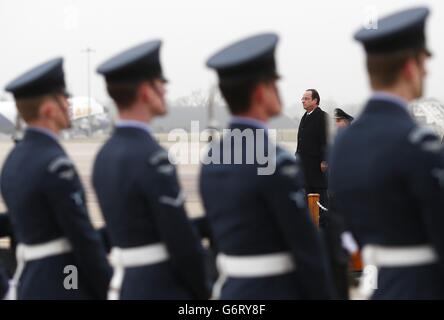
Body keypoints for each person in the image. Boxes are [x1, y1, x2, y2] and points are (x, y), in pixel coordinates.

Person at [200, 33, 333, 299]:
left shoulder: (212, 158)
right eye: (275, 84)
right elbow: (307, 252)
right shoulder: (276, 163)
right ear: (262, 92)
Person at [329, 6, 444, 299]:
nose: (426, 71)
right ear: (409, 67)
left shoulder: (343, 144)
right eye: (423, 62)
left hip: (378, 285)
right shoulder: (419, 142)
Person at [94, 40, 210, 300]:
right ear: (146, 92)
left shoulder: (105, 155)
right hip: (160, 286)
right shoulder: (152, 157)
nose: (165, 90)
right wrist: (203, 290)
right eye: (161, 84)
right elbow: (181, 241)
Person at [1, 58, 112, 299]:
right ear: (49, 109)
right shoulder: (55, 163)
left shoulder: (12, 161)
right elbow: (81, 237)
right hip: (62, 281)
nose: (68, 105)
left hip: (29, 280)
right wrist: (106, 286)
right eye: (64, 99)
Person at [296, 89, 329, 226]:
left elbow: (326, 140)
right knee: (306, 195)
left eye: (306, 98)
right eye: (302, 98)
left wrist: (325, 159)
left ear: (315, 101)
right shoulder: (305, 117)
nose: (303, 100)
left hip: (317, 166)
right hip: (304, 166)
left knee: (319, 197)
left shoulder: (322, 117)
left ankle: (324, 224)